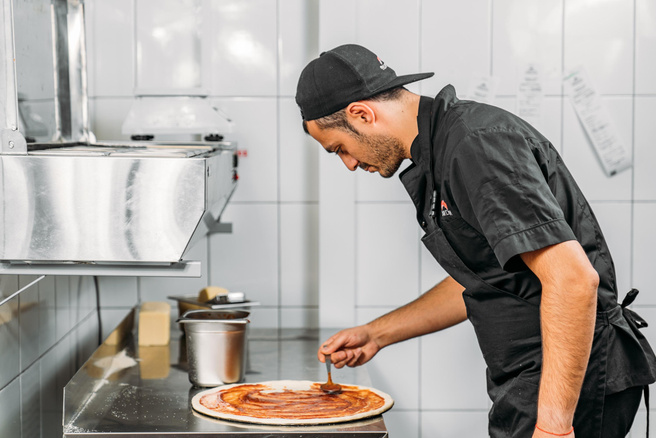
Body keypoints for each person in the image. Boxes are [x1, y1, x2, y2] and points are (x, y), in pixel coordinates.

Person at [295, 44, 656, 438]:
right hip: (530, 377)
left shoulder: (474, 145)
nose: (349, 164)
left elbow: (572, 280)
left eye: (339, 148)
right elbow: (491, 279)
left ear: (362, 114)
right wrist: (377, 333)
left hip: (571, 380)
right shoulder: (439, 153)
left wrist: (554, 427)